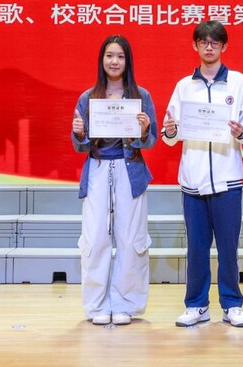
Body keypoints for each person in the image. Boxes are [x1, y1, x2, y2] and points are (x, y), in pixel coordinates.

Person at [162, 21, 243, 328]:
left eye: (214, 42)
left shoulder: (238, 83)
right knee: (197, 248)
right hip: (192, 179)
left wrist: (242, 131)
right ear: (195, 46)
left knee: (228, 247)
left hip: (228, 178)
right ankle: (196, 305)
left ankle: (232, 304)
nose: (208, 47)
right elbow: (170, 132)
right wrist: (171, 130)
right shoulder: (184, 86)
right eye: (203, 42)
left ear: (224, 46)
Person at [71, 35, 158, 326]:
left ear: (127, 61)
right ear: (102, 60)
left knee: (130, 239)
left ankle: (125, 304)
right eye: (109, 55)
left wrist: (143, 130)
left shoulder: (141, 96)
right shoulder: (88, 98)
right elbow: (80, 144)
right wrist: (79, 133)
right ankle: (96, 305)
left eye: (120, 56)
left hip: (130, 170)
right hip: (97, 170)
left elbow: (151, 140)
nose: (114, 61)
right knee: (96, 238)